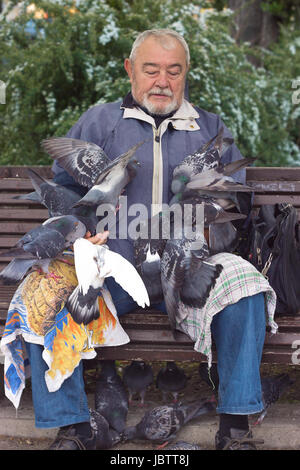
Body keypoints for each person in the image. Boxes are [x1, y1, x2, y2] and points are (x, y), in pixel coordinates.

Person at [26, 29, 276, 450]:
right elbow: (64, 191)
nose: (163, 81)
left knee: (245, 284)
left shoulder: (211, 127)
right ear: (130, 70)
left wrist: (209, 226)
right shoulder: (99, 122)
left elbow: (237, 199)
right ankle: (73, 428)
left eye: (174, 71)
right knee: (42, 288)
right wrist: (84, 227)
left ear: (186, 74)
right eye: (152, 69)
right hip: (114, 265)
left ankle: (234, 428)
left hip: (189, 267)